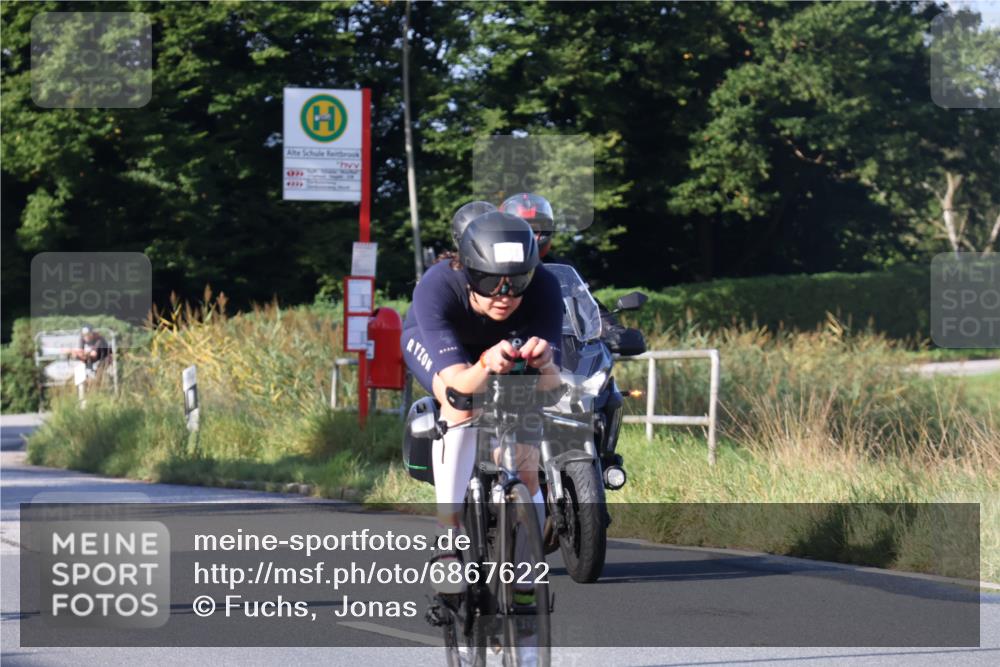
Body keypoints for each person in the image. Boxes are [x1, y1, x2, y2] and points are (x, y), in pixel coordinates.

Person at [401, 210, 562, 595]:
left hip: (506, 345)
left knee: (526, 464)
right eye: (490, 282)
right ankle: (447, 536)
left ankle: (526, 566)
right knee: (463, 405)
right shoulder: (438, 285)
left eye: (517, 282)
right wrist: (487, 362)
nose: (504, 295)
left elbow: (552, 391)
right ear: (468, 270)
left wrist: (546, 364)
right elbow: (458, 385)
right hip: (443, 346)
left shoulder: (545, 287)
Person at [499, 193, 639, 352]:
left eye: (536, 228)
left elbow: (588, 304)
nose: (530, 234)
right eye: (522, 228)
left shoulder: (562, 268)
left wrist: (611, 329)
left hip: (564, 353)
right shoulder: (494, 268)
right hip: (509, 349)